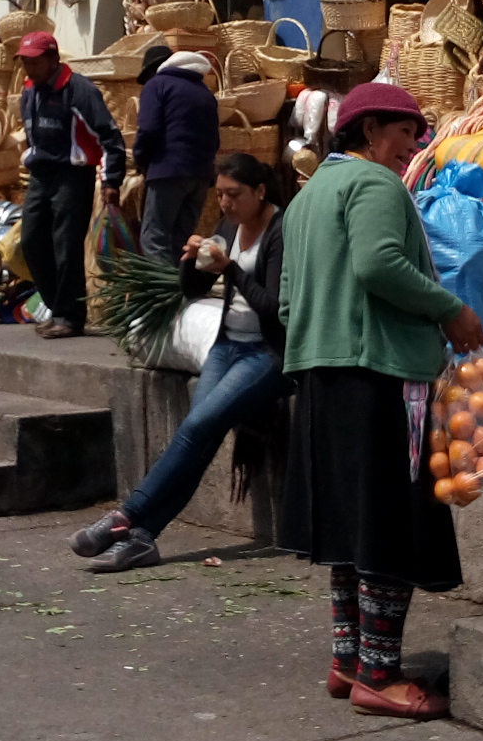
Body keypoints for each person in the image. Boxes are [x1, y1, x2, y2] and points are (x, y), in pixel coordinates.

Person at [278, 82, 483, 720]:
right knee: (389, 525)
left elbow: (287, 302)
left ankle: (349, 661)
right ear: (368, 131)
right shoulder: (375, 185)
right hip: (378, 376)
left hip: (320, 378)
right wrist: (450, 309)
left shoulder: (308, 196)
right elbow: (378, 264)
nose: (412, 146)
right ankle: (379, 674)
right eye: (404, 133)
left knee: (352, 527)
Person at [73, 152, 288, 572]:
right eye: (220, 194)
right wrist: (191, 263)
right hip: (227, 345)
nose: (225, 204)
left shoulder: (280, 232)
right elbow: (193, 291)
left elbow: (275, 308)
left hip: (268, 353)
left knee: (196, 427)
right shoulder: (228, 226)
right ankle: (142, 538)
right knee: (199, 434)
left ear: (260, 192)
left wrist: (232, 269)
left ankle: (127, 516)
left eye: (234, 195)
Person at [16, 32, 126, 339]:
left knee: (66, 244)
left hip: (72, 175)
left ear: (53, 59)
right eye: (25, 62)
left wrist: (111, 180)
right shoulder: (29, 92)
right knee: (31, 241)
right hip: (41, 175)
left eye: (34, 62)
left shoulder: (80, 91)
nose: (28, 68)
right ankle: (57, 307)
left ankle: (70, 316)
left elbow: (110, 137)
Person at [133, 46, 220, 260]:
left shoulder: (157, 85)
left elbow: (148, 129)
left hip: (168, 172)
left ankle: (161, 283)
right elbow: (215, 139)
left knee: (155, 239)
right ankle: (180, 281)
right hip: (200, 176)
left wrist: (140, 159)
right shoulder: (204, 92)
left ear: (153, 70)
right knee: (180, 241)